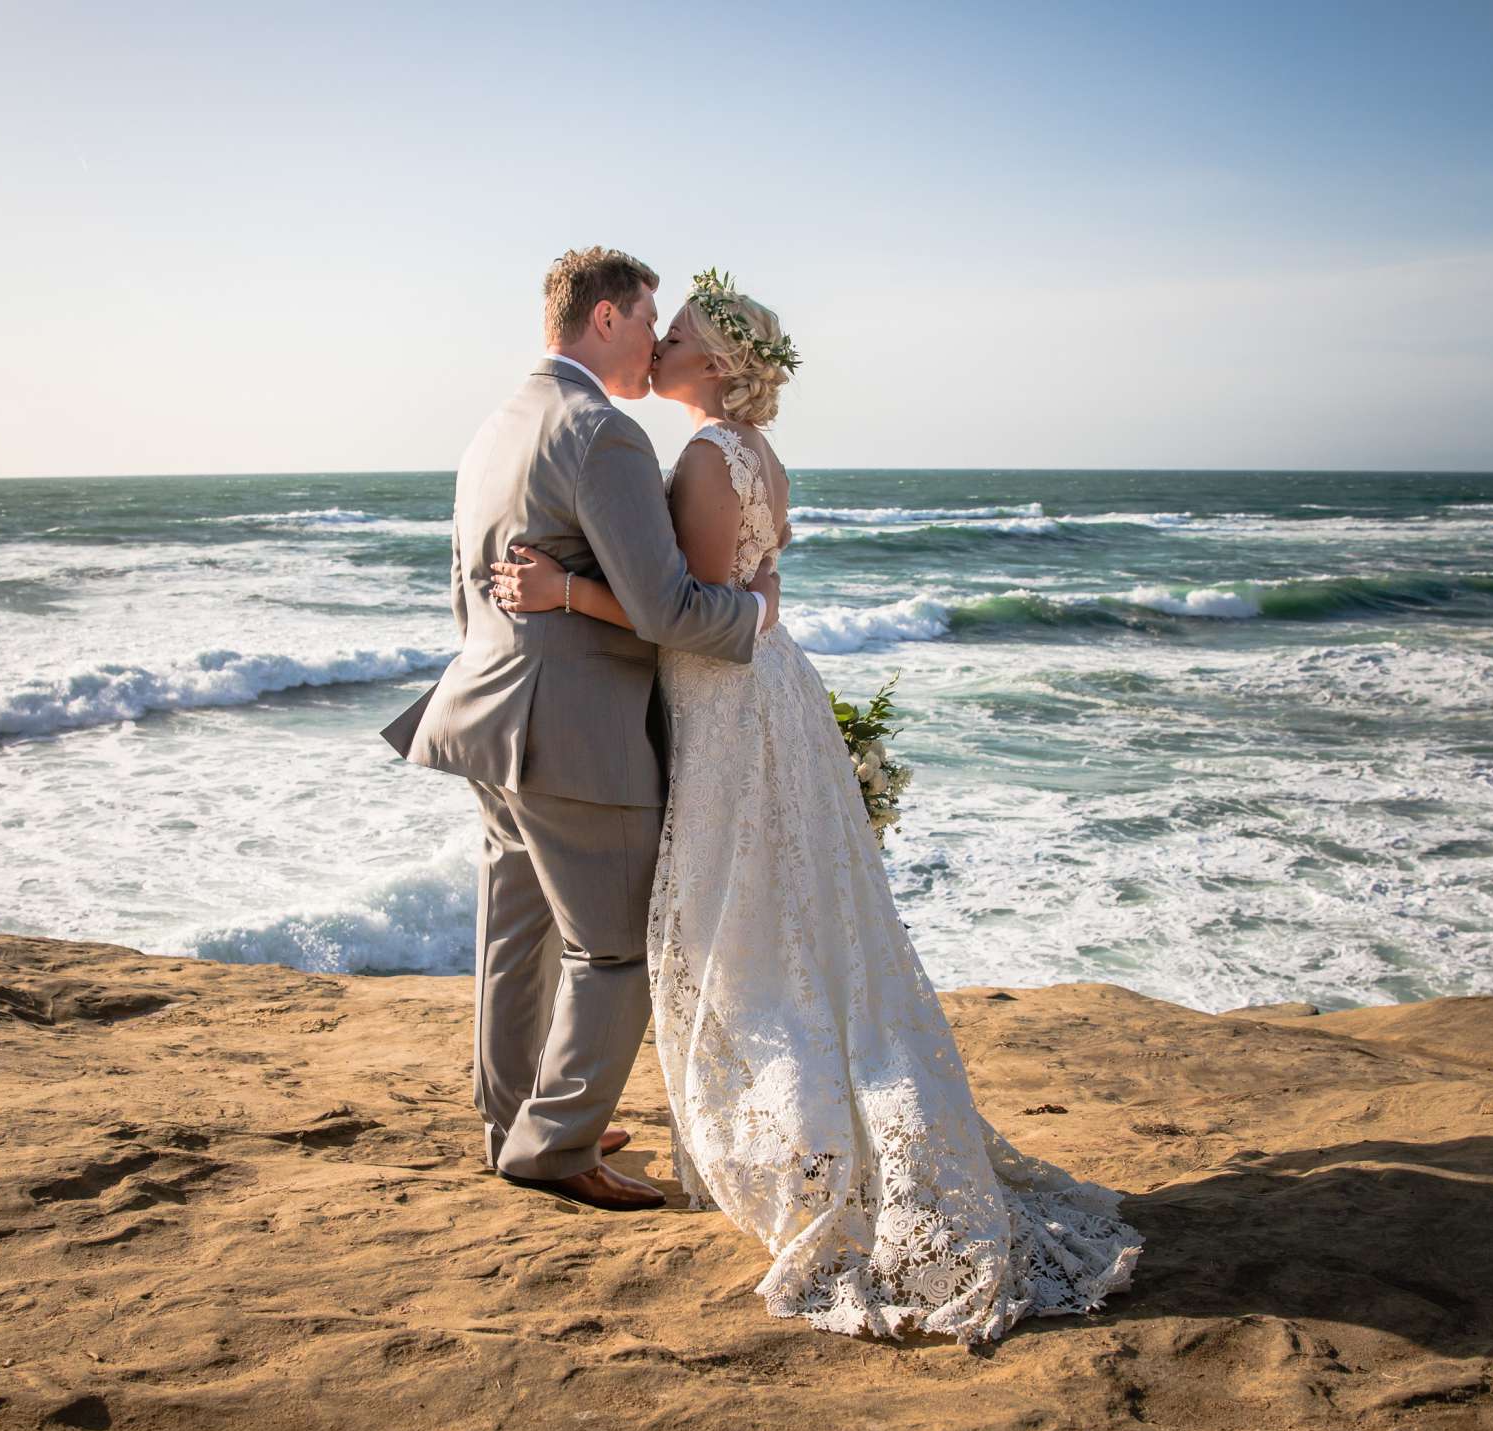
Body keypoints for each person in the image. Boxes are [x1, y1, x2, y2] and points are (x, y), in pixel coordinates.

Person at [487, 270, 1144, 1342]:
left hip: (723, 699)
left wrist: (566, 594)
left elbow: (686, 616)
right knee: (787, 914)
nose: (659, 345)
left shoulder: (704, 455)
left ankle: (800, 1139)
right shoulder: (757, 455)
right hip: (764, 686)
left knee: (741, 916)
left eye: (679, 333)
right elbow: (748, 594)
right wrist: (747, 605)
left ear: (715, 363)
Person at [380, 247, 781, 1211]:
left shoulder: (498, 425)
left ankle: (510, 1120)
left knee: (512, 936)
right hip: (573, 734)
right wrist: (760, 613)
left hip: (484, 713)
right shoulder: (602, 434)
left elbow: (465, 588)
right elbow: (670, 606)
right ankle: (556, 1148)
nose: (655, 338)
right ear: (606, 318)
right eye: (649, 318)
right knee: (614, 949)